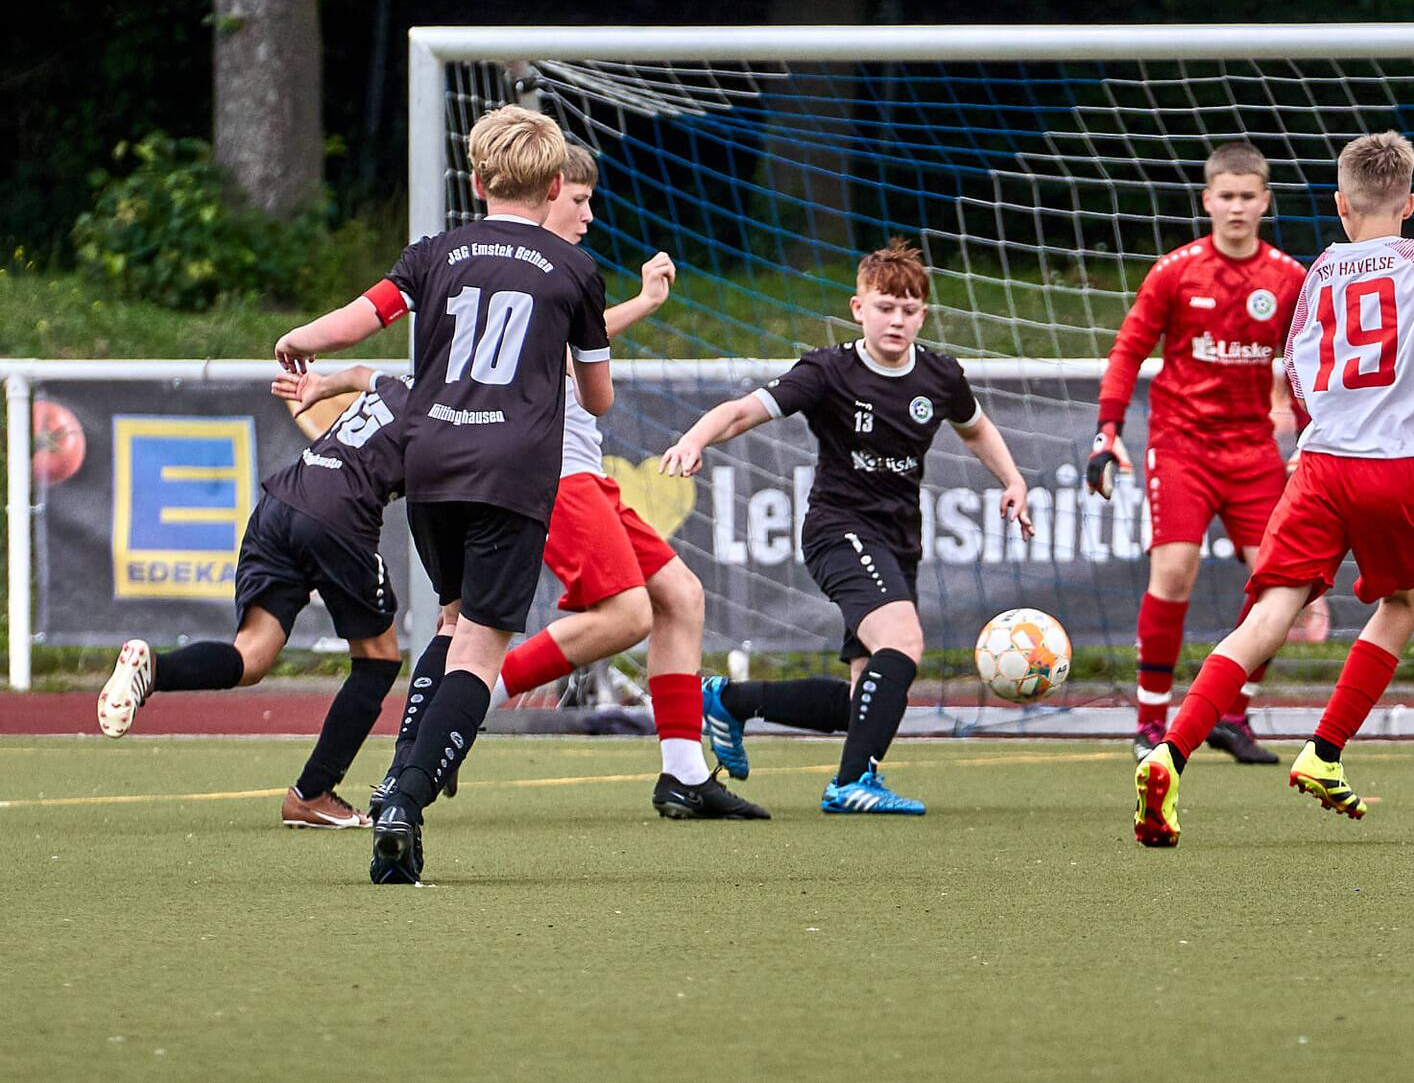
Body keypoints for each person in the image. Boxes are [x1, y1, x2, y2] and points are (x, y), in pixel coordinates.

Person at [1133, 130, 1414, 847]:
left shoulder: (1319, 271)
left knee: (1269, 614)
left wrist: (1314, 427)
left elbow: (1297, 364)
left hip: (1320, 465)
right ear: (1410, 203)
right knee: (1406, 600)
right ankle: (1325, 750)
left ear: (1341, 206)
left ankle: (1170, 750)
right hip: (1395, 467)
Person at [276, 104, 611, 883]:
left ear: (477, 180)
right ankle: (406, 795)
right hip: (511, 472)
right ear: (555, 185)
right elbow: (596, 399)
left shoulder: (436, 252)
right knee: (482, 650)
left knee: (453, 619)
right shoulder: (574, 271)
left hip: (431, 463)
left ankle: (405, 767)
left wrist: (297, 340)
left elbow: (359, 321)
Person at [661, 240, 1033, 816]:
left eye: (908, 310)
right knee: (904, 642)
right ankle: (852, 783)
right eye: (885, 307)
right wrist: (693, 440)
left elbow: (975, 427)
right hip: (838, 531)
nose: (897, 320)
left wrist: (1012, 479)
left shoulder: (939, 375)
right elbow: (742, 410)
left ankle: (730, 700)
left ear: (923, 316)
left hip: (899, 540)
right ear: (859, 308)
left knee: (868, 700)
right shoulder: (829, 371)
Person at [489, 143, 764, 820]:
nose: (589, 215)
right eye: (580, 200)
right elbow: (559, 351)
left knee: (681, 597)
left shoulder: (560, 267)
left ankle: (684, 774)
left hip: (582, 470)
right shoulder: (527, 265)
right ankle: (472, 695)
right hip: (549, 473)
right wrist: (643, 303)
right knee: (628, 615)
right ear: (548, 192)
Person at [96, 365, 409, 831]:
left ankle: (154, 670)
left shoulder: (399, 383)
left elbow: (363, 373)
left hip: (281, 502)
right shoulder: (450, 413)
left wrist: (322, 384)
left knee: (251, 657)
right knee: (378, 659)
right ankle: (312, 793)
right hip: (336, 517)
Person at [1087, 141, 1311, 764]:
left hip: (1253, 451)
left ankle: (1231, 716)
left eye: (1248, 197)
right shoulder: (1176, 271)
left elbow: (1305, 367)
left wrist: (1309, 436)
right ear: (1207, 200)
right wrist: (1107, 430)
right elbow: (1128, 350)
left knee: (1285, 585)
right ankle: (1150, 724)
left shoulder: (1289, 279)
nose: (1237, 207)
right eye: (1226, 196)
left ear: (1265, 201)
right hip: (1181, 445)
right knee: (1175, 571)